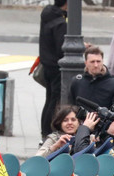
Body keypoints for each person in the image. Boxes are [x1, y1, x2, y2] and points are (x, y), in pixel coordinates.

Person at [39, 0, 68, 140]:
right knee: (54, 100)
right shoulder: (60, 23)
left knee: (49, 98)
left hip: (47, 65)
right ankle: (47, 132)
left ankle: (44, 132)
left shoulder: (48, 15)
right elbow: (61, 48)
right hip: (57, 67)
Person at [68, 45, 114, 112]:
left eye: (98, 61)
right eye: (92, 62)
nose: (96, 65)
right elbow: (70, 107)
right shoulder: (77, 82)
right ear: (86, 63)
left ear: (103, 61)